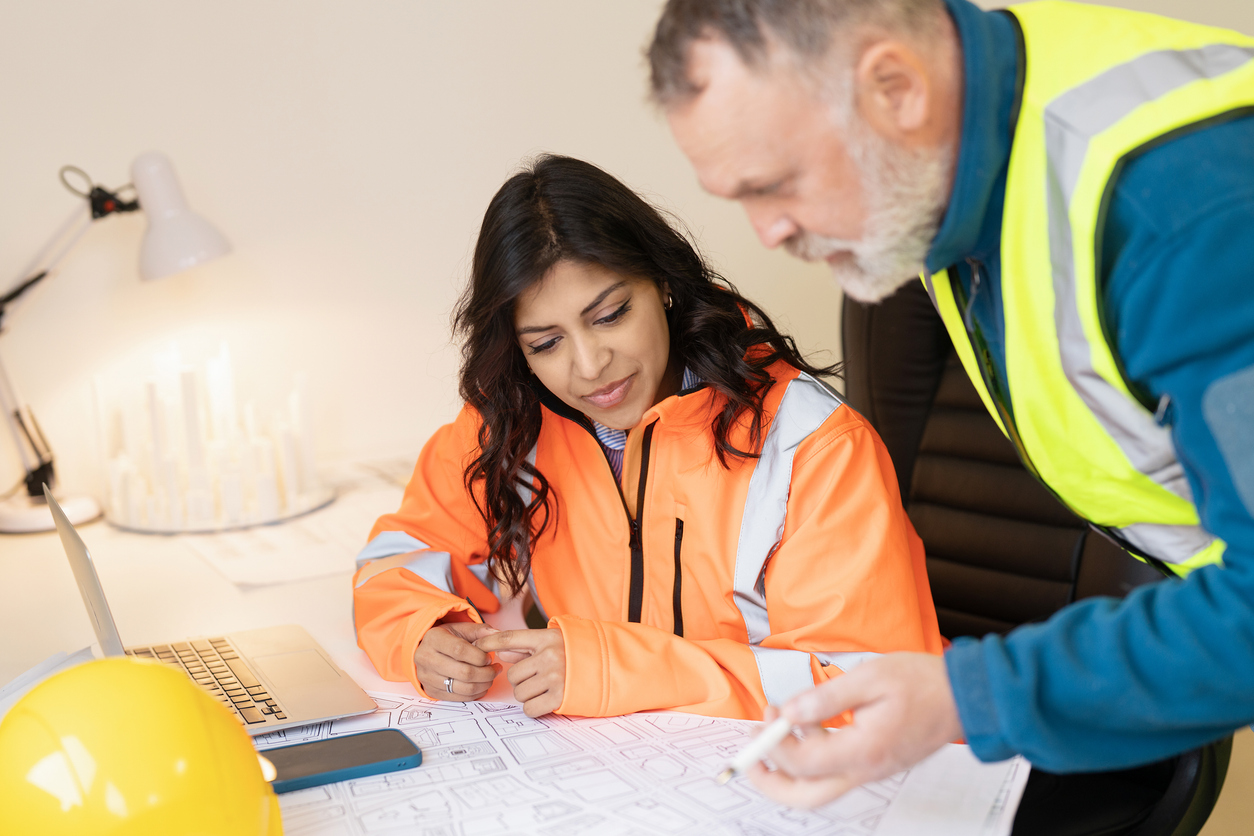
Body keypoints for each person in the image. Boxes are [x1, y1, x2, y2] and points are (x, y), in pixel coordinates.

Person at [649, 0, 1254, 808]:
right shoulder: (951, 162)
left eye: (778, 183)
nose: (768, 232)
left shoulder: (1180, 212)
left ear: (895, 88)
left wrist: (967, 697)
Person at [352, 154, 943, 721]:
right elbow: (396, 559)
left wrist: (612, 669)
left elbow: (866, 686)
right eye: (545, 343)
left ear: (662, 283)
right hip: (623, 777)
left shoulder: (813, 445)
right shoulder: (512, 424)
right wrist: (421, 633)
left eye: (609, 315)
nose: (589, 365)